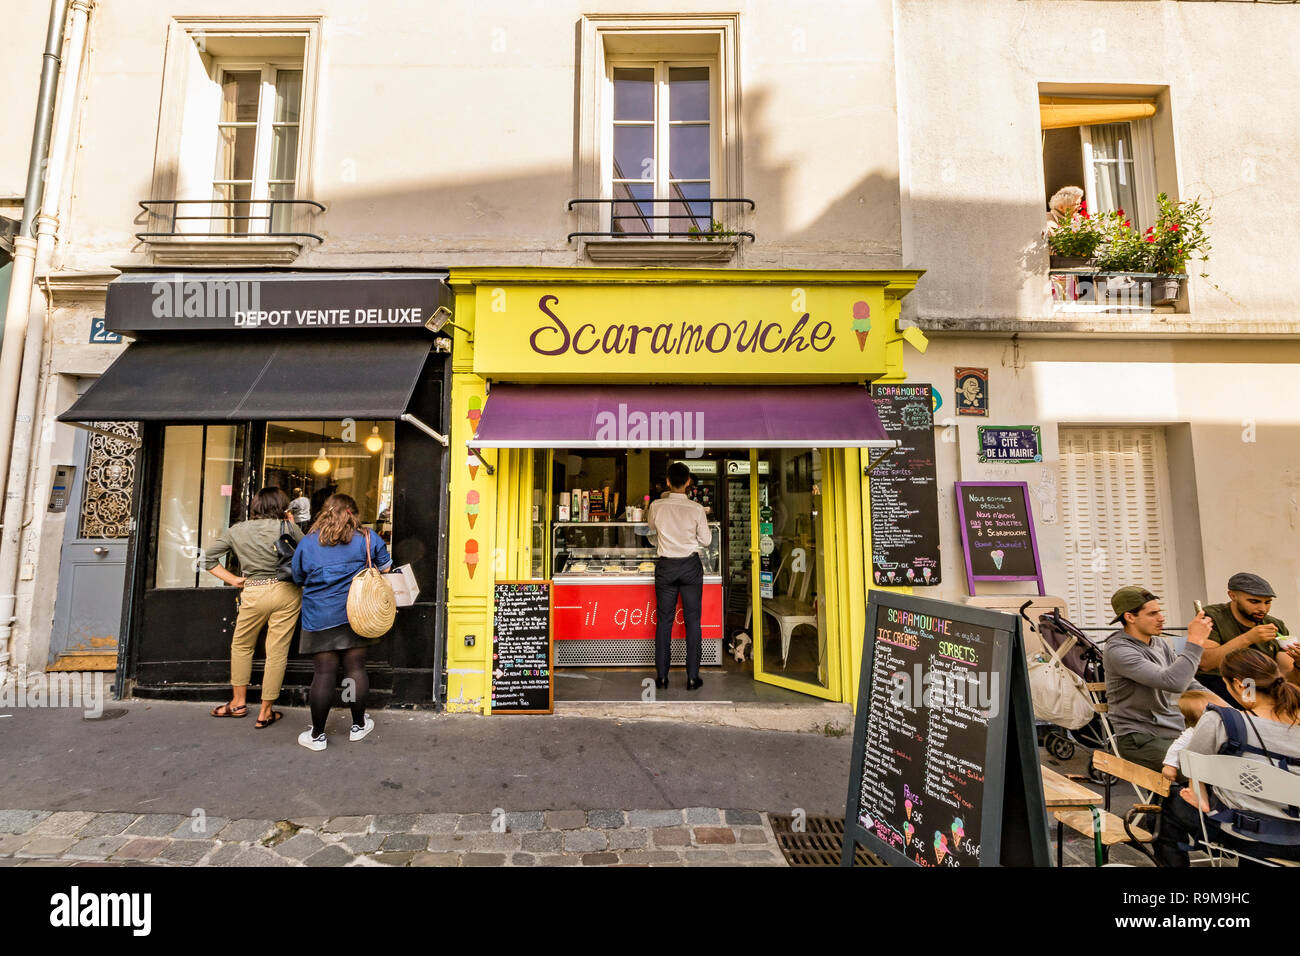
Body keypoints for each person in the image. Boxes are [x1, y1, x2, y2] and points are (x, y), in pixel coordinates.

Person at [1152, 648, 1300, 866]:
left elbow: (1193, 770)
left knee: (1167, 799)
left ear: (1241, 685)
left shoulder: (1222, 721)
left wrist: (1200, 796)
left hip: (1248, 836)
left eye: (1227, 685)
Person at [291, 493, 391, 751]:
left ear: (325, 512)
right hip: (357, 614)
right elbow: (386, 569)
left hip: (319, 615)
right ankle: (358, 726)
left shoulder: (308, 543)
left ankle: (317, 735)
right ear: (352, 513)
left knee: (324, 673)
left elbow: (298, 577)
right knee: (355, 669)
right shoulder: (368, 538)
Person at [204, 486, 303, 729]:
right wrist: (291, 524)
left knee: (241, 646)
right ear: (282, 506)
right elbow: (308, 551)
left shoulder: (237, 530)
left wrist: (234, 580)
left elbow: (207, 559)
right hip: (286, 591)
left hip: (254, 591)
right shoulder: (289, 528)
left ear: (255, 506)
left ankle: (238, 702)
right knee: (277, 651)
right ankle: (266, 711)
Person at [1102, 586, 1222, 772]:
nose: (1161, 618)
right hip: (1140, 739)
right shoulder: (1119, 650)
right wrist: (1195, 641)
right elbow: (1174, 682)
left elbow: (1189, 682)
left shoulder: (1158, 643)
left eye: (1160, 611)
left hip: (1176, 732)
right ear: (1130, 617)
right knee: (1204, 771)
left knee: (1231, 759)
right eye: (1152, 613)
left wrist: (1230, 711)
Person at [645, 462, 711, 691]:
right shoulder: (696, 508)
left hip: (666, 566)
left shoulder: (656, 506)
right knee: (693, 622)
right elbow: (707, 540)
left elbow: (650, 529)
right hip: (690, 566)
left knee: (664, 622)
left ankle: (662, 677)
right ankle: (693, 678)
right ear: (689, 482)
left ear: (667, 482)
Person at [1198, 572, 1296, 703]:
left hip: (1262, 684)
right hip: (1222, 682)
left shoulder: (1275, 624)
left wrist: (1298, 662)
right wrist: (1248, 638)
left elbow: (1287, 673)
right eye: (1254, 602)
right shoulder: (1213, 616)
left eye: (1268, 602)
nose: (1263, 609)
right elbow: (1206, 663)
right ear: (1232, 596)